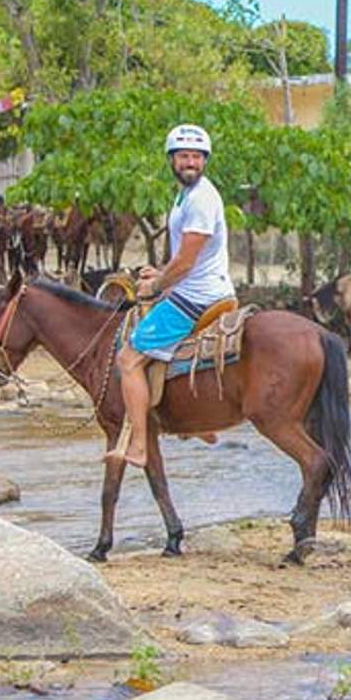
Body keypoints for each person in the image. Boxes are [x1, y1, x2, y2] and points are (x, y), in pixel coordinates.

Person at [110, 124, 235, 468]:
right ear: (172, 160)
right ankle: (199, 424)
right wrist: (161, 271)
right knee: (156, 343)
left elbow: (187, 260)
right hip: (201, 287)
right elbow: (183, 254)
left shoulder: (201, 200)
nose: (190, 162)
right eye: (184, 156)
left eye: (196, 157)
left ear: (205, 161)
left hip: (196, 298)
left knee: (129, 358)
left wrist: (158, 284)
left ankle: (138, 446)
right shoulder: (186, 196)